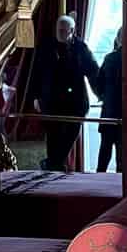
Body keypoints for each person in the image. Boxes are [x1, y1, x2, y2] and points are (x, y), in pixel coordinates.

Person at [33, 14, 100, 172]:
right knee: (53, 138)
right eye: (59, 30)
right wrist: (35, 96)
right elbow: (37, 73)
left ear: (72, 30)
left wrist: (101, 93)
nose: (61, 33)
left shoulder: (81, 48)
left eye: (65, 30)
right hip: (51, 101)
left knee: (70, 136)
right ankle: (54, 168)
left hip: (75, 102)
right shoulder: (47, 47)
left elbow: (93, 72)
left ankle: (51, 165)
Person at [97, 27, 123, 173]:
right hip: (125, 114)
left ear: (117, 39)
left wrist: (103, 97)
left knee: (104, 155)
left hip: (108, 112)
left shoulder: (109, 58)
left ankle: (96, 186)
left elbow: (99, 83)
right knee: (122, 158)